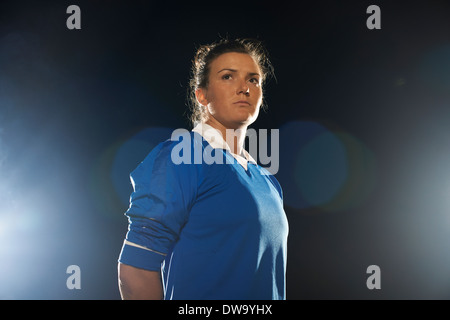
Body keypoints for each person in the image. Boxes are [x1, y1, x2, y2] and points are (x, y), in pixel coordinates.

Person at [117, 38, 288, 300]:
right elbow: (135, 271)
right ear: (202, 95)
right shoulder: (180, 158)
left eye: (254, 79)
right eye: (228, 77)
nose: (244, 88)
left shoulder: (267, 181)